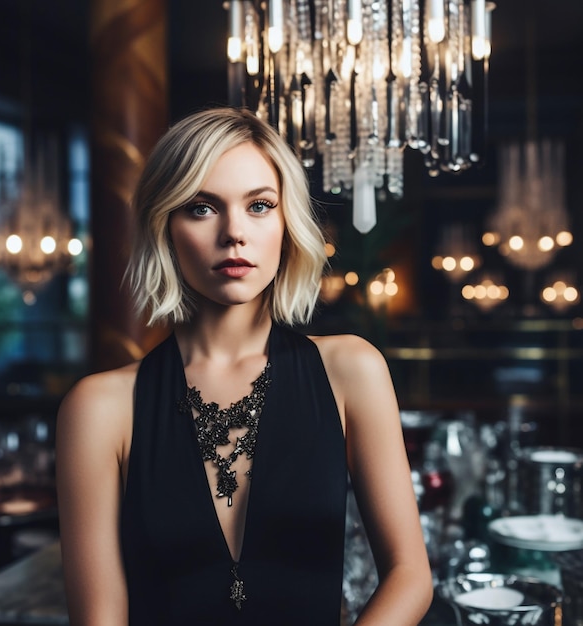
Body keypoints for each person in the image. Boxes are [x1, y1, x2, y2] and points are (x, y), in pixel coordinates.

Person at [55, 106, 433, 625]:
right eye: (201, 207)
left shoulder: (351, 370)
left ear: (286, 223)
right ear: (165, 226)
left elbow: (410, 575)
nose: (234, 232)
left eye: (259, 205)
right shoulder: (98, 408)